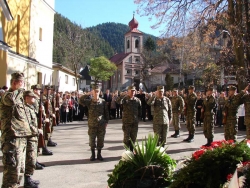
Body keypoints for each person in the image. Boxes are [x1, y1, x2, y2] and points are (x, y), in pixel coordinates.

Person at [0, 72, 36, 188]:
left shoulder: (20, 99)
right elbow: (11, 100)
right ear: (15, 83)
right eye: (21, 83)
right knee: (12, 172)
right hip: (11, 139)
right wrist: (20, 90)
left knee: (19, 170)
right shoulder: (8, 95)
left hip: (21, 138)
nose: (23, 86)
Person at [79, 84, 109, 161]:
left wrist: (106, 122)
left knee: (100, 139)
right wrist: (88, 94)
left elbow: (106, 113)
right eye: (94, 91)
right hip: (92, 124)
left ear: (100, 92)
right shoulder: (89, 102)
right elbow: (80, 100)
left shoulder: (103, 102)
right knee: (92, 140)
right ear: (92, 92)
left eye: (97, 91)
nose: (96, 93)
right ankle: (93, 155)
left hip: (101, 124)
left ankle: (99, 154)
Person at [23, 90, 41, 188]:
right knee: (29, 158)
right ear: (27, 98)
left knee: (31, 158)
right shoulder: (25, 109)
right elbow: (27, 124)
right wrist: (37, 130)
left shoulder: (30, 108)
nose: (34, 99)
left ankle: (28, 178)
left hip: (32, 137)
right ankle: (27, 180)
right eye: (32, 97)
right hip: (29, 137)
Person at [116, 86, 141, 151]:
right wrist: (122, 95)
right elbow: (118, 101)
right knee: (126, 138)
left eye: (134, 91)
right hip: (126, 122)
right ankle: (127, 151)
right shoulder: (125, 99)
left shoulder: (137, 100)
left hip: (135, 122)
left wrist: (139, 119)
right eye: (131, 91)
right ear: (128, 91)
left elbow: (140, 110)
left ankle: (131, 151)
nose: (133, 92)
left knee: (133, 137)